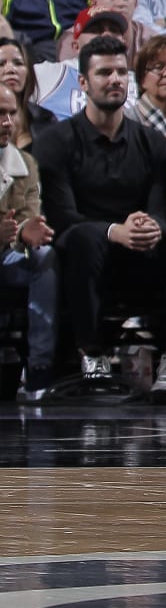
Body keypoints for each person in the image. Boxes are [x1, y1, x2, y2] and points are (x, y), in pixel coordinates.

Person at [39, 35, 166, 397]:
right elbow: (62, 217)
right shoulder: (55, 141)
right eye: (105, 72)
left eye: (122, 72)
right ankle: (93, 356)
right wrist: (112, 231)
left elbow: (158, 205)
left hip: (140, 250)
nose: (116, 79)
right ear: (84, 83)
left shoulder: (152, 143)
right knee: (86, 238)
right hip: (82, 253)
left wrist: (149, 225)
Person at [0, 82, 53, 402]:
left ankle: (40, 367)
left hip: (8, 257)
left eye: (10, 113)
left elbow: (30, 217)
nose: (6, 122)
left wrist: (23, 233)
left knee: (45, 255)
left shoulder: (26, 164)